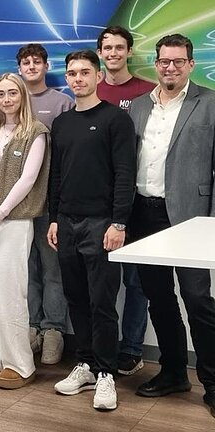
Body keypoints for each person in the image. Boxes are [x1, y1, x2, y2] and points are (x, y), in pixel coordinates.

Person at [129, 34, 215, 414]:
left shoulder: (209, 102)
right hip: (144, 213)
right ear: (156, 63)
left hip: (191, 217)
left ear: (190, 64)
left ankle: (212, 383)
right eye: (164, 61)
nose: (170, 67)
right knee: (158, 296)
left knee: (197, 299)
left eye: (178, 61)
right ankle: (174, 372)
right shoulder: (138, 108)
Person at [48, 50, 136, 411]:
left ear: (98, 76)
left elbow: (124, 175)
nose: (78, 78)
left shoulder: (117, 120)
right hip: (66, 222)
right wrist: (54, 217)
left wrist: (119, 222)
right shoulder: (62, 123)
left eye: (85, 72)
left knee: (102, 303)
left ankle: (106, 373)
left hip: (102, 223)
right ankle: (84, 364)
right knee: (76, 298)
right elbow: (56, 175)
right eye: (72, 73)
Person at [0, 74, 50, 388]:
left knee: (9, 290)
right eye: (0, 94)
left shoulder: (36, 133)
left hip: (13, 221)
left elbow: (28, 180)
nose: (6, 99)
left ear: (22, 95)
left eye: (12, 93)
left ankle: (20, 362)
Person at [97, 25, 155, 377]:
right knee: (101, 283)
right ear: (100, 53)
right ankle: (98, 349)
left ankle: (132, 349)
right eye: (108, 48)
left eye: (120, 47)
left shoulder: (147, 93)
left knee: (136, 282)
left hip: (137, 203)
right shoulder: (90, 89)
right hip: (96, 204)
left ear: (129, 51)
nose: (114, 53)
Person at [17, 43, 72, 365]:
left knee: (52, 270)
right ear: (19, 68)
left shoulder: (61, 102)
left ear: (45, 66)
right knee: (27, 270)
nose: (32, 66)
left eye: (37, 61)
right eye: (26, 62)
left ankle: (53, 330)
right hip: (18, 205)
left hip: (50, 201)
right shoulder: (12, 103)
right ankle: (31, 326)